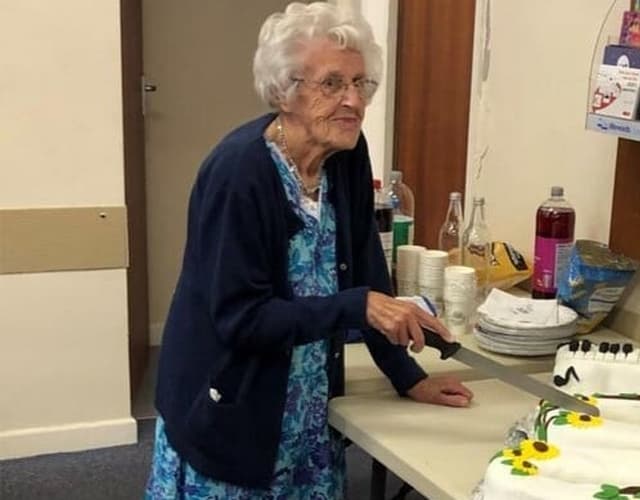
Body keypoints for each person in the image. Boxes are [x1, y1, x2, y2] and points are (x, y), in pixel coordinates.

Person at [145, 3, 474, 498]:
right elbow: (242, 318)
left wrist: (407, 375)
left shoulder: (346, 153)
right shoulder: (239, 175)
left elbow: (366, 271)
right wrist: (354, 305)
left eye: (361, 85)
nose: (353, 102)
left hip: (306, 409)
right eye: (332, 84)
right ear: (285, 91)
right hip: (231, 407)